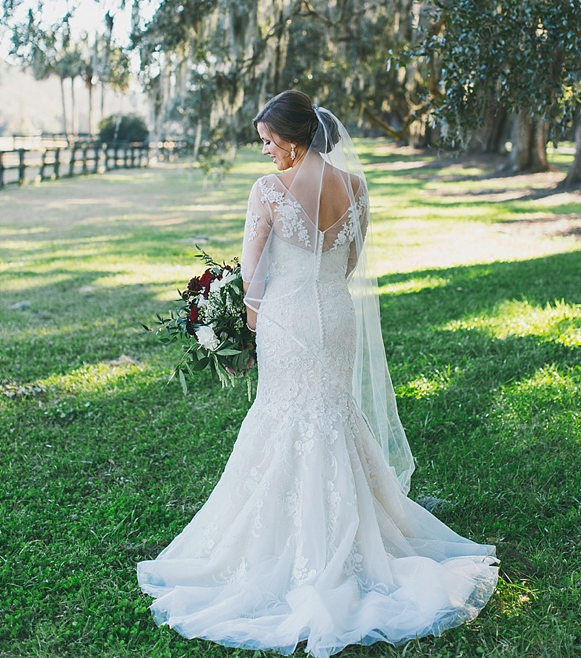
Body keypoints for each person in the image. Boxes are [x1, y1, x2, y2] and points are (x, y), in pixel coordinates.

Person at [137, 91, 498, 656]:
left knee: (286, 417)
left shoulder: (268, 192)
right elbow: (351, 260)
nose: (266, 153)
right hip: (336, 312)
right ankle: (356, 534)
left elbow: (253, 274)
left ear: (295, 137)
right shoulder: (355, 186)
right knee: (333, 415)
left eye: (270, 142)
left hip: (288, 317)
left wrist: (245, 324)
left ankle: (289, 546)